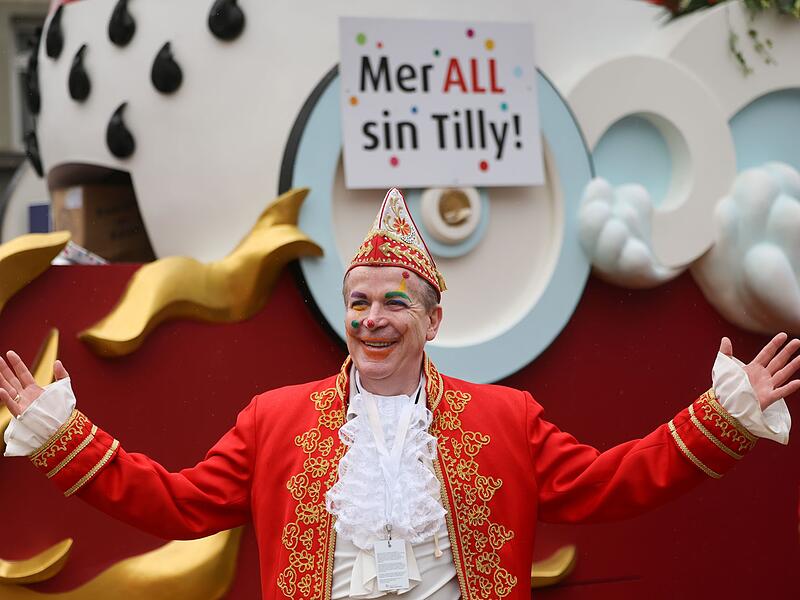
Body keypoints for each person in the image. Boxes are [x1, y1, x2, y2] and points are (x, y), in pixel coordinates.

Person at [1, 188, 798, 600]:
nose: (372, 320)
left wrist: (720, 418)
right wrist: (60, 434)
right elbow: (175, 505)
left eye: (394, 303)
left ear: (433, 317)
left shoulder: (504, 418)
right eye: (359, 303)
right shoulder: (273, 418)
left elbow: (613, 483)